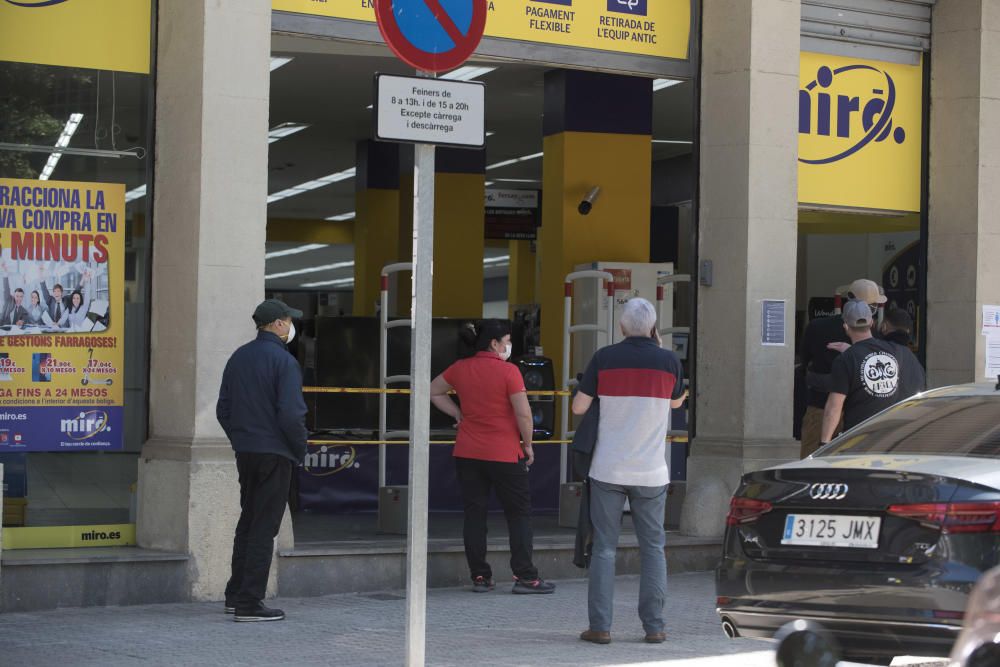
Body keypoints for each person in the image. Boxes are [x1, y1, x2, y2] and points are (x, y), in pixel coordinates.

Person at [571, 298, 686, 645]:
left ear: (621, 326)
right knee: (653, 548)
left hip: (608, 469)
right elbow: (676, 401)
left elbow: (579, 407)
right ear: (653, 328)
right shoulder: (668, 361)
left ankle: (600, 628)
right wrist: (661, 353)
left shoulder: (604, 358)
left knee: (604, 548)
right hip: (651, 473)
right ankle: (654, 627)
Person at [429, 319, 555, 595]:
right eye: (507, 341)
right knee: (519, 515)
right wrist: (529, 445)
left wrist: (458, 414)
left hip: (467, 452)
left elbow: (433, 390)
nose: (509, 346)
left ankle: (480, 577)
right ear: (494, 343)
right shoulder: (508, 371)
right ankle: (526, 577)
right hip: (505, 453)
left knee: (475, 515)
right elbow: (523, 413)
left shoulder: (460, 368)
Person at [216, 298, 308, 622]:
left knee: (248, 521)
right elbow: (292, 414)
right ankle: (249, 603)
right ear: (279, 324)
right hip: (276, 453)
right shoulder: (284, 362)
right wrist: (299, 449)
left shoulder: (238, 358)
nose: (291, 326)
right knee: (264, 527)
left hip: (247, 453)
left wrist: (241, 441)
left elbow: (222, 410)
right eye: (289, 320)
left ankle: (235, 594)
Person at [799, 278, 886, 458]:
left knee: (810, 464)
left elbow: (804, 362)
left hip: (820, 406)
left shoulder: (817, 327)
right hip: (858, 413)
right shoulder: (876, 338)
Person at [820, 299, 925, 445]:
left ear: (845, 326)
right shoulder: (898, 351)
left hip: (859, 440)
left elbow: (834, 406)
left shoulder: (846, 359)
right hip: (896, 439)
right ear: (871, 323)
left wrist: (824, 443)